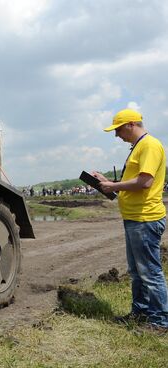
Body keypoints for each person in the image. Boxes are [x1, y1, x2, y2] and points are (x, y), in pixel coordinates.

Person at [92, 108, 168, 331]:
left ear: (130, 125)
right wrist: (108, 182)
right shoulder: (139, 147)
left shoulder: (150, 146)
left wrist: (113, 186)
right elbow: (133, 183)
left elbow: (144, 182)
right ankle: (141, 313)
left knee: (150, 272)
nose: (117, 136)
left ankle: (160, 321)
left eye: (118, 130)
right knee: (137, 272)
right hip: (135, 218)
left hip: (145, 219)